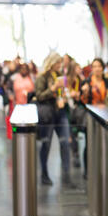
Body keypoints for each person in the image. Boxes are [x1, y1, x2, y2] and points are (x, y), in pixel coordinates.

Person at [35, 52, 75, 188]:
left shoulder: (60, 77)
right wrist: (53, 89)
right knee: (46, 144)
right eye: (57, 63)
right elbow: (39, 96)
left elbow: (62, 92)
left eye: (60, 63)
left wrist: (63, 97)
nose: (59, 65)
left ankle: (66, 176)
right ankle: (44, 174)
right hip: (48, 114)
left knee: (65, 143)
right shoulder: (42, 77)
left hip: (61, 113)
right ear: (51, 63)